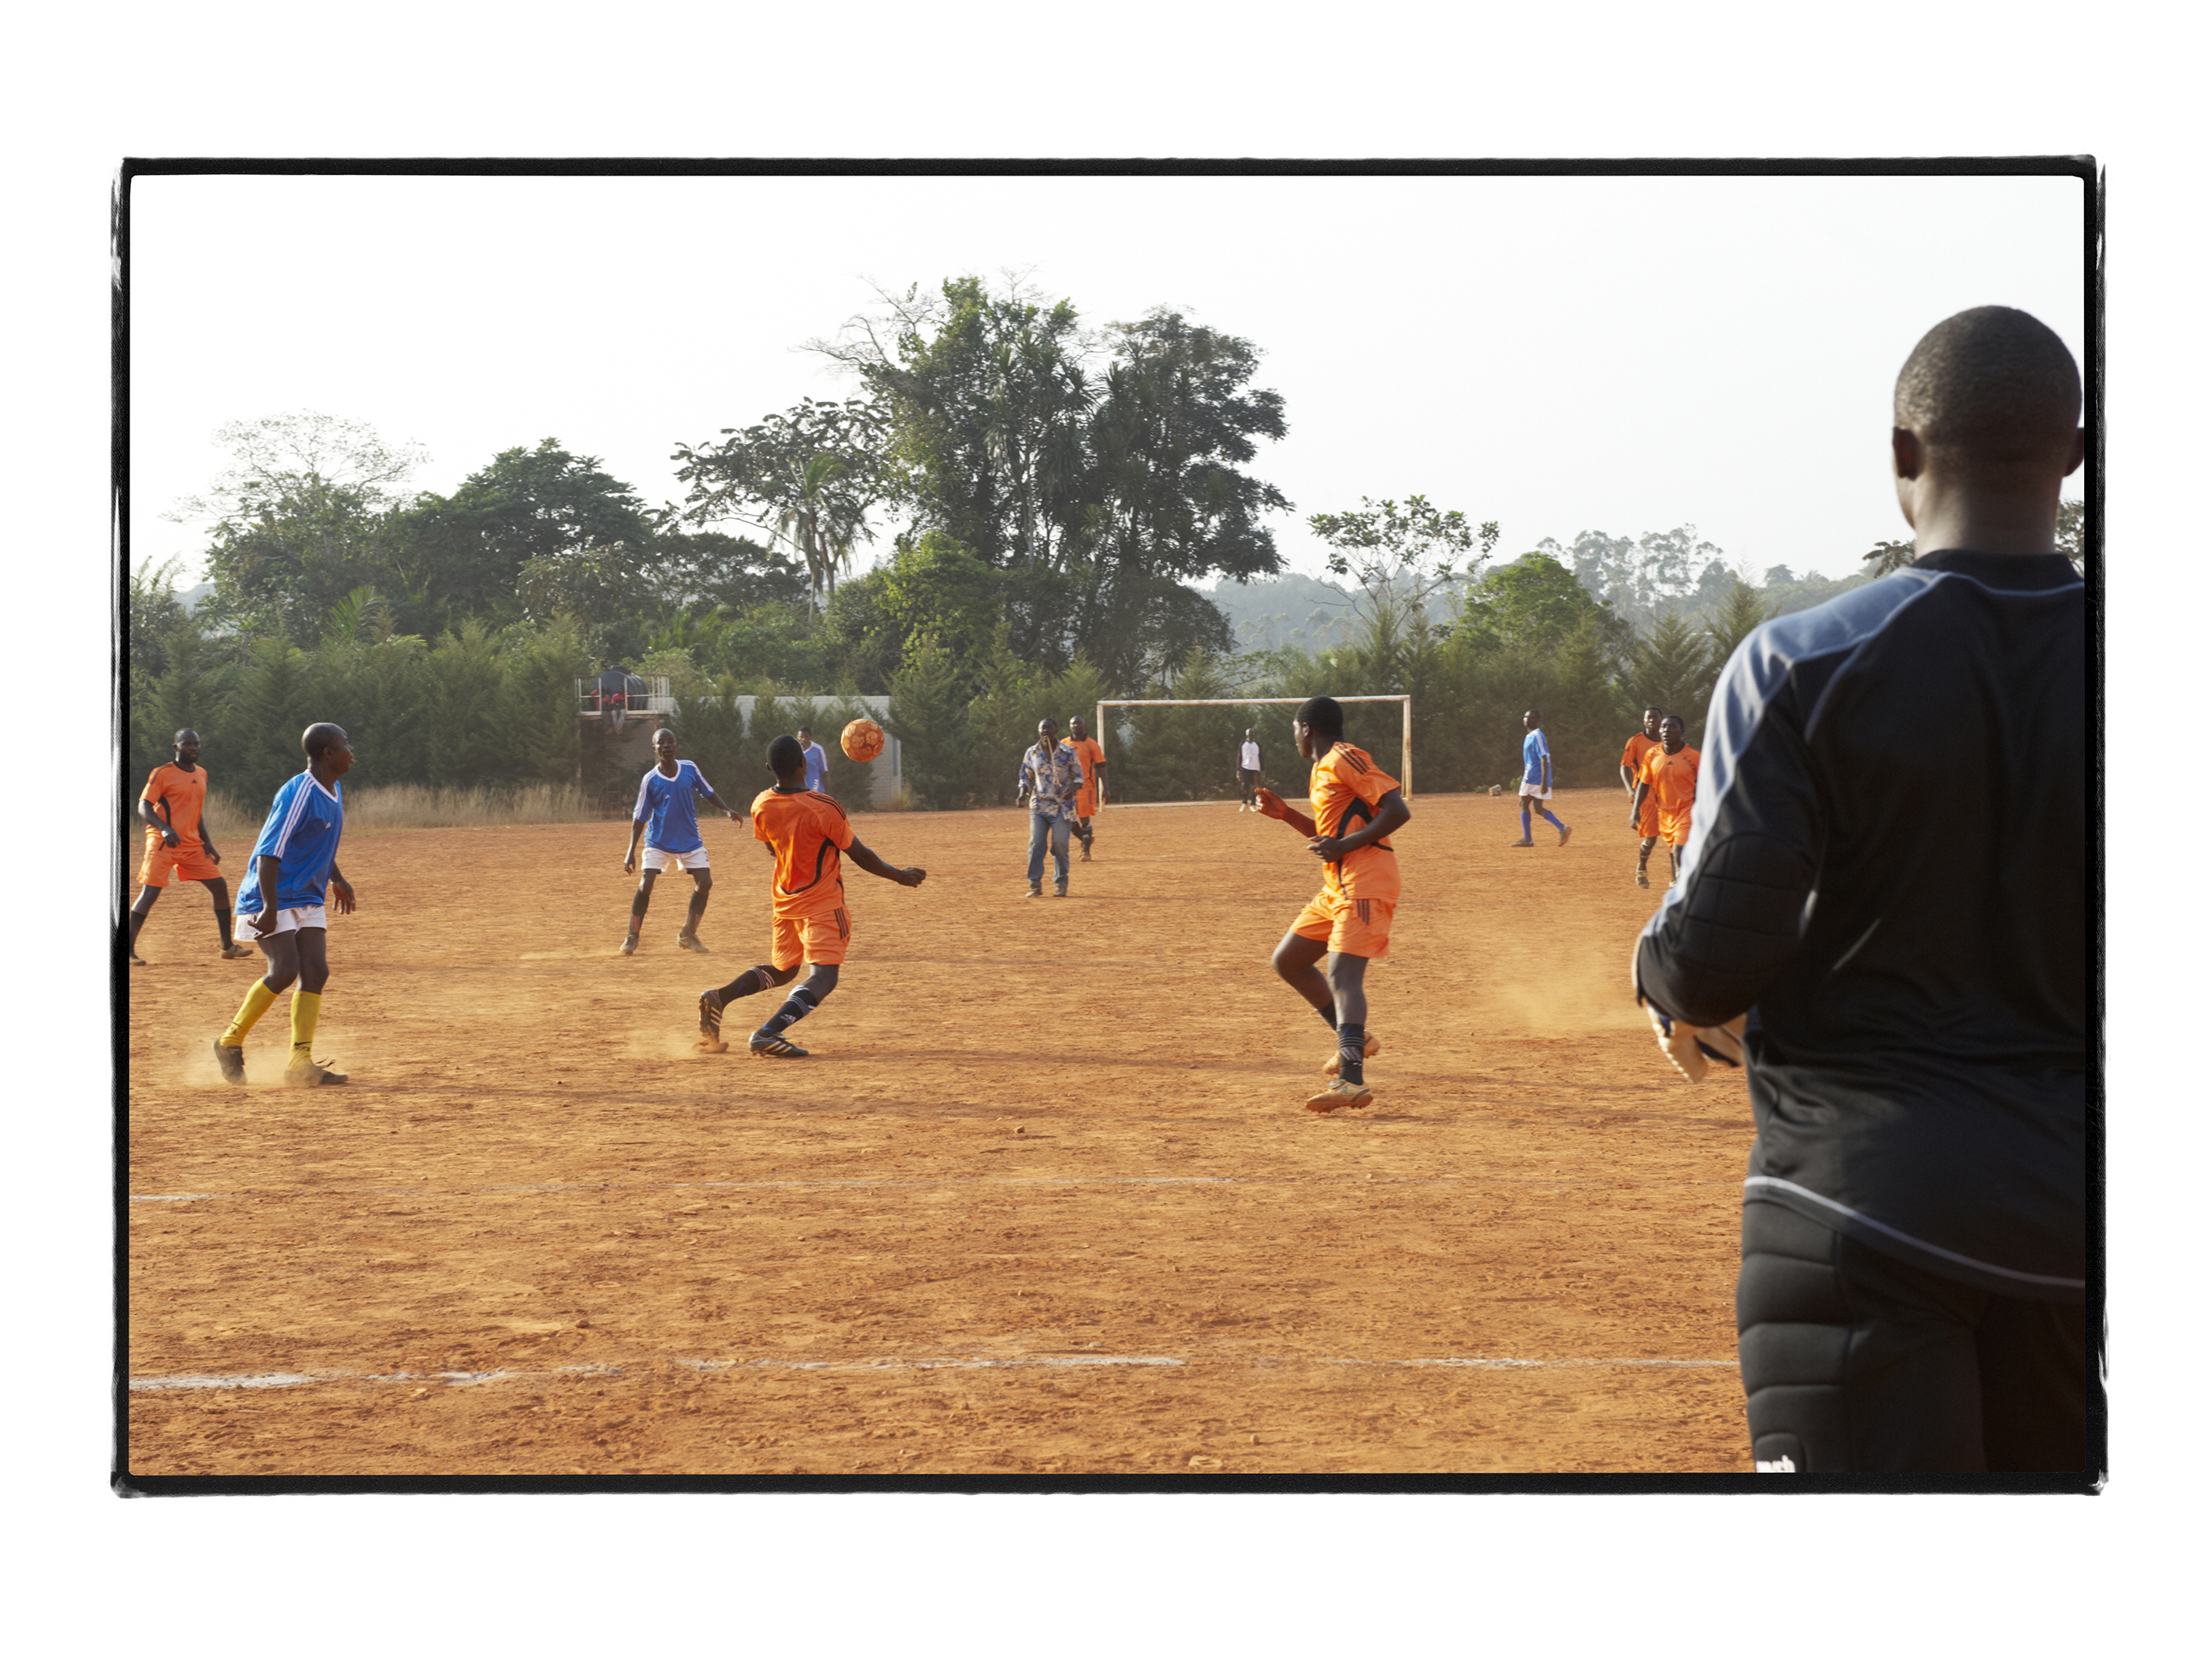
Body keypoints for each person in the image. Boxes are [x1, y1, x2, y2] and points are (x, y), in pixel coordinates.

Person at [1633, 304, 2087, 1474]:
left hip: (1855, 1209)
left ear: (1899, 452)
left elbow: (1716, 954)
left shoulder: (1801, 664)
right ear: (2072, 456)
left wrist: (1655, 971)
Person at [695, 734, 925, 1058]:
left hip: (785, 900)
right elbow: (860, 854)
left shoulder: (761, 803)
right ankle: (767, 1033)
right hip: (821, 903)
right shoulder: (825, 807)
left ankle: (718, 997)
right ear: (804, 765)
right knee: (824, 976)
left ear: (769, 768)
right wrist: (898, 875)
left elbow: (771, 847)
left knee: (785, 970)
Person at [1255, 696, 1411, 1114]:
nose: (1293, 738)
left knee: (1342, 972)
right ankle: (1358, 1042)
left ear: (1308, 729)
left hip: (1366, 881)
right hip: (1337, 886)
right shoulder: (1320, 767)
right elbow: (1330, 836)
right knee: (1288, 960)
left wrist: (1343, 845)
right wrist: (1288, 815)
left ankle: (1352, 1081)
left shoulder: (1347, 757)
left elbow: (1397, 810)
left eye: (1294, 729)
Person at [211, 723, 358, 1087]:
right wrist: (270, 907)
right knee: (284, 969)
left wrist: (336, 878)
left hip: (307, 894)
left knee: (317, 970)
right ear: (327, 753)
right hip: (271, 894)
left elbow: (317, 841)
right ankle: (229, 1041)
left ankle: (299, 1062)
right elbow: (269, 851)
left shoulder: (333, 789)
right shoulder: (300, 792)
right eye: (345, 745)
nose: (350, 750)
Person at [127, 727, 254, 964]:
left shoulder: (202, 773)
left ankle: (227, 947)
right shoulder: (162, 773)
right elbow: (144, 806)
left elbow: (197, 812)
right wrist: (165, 828)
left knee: (219, 886)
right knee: (150, 892)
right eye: (187, 744)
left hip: (192, 845)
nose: (193, 748)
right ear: (176, 747)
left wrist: (208, 843)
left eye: (196, 744)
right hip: (163, 842)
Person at [620, 727, 743, 955]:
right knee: (646, 884)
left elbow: (708, 792)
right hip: (658, 841)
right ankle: (632, 935)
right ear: (655, 749)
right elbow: (639, 817)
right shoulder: (650, 780)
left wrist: (726, 810)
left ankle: (688, 934)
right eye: (661, 743)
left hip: (689, 839)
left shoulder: (689, 768)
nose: (667, 746)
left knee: (705, 883)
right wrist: (631, 851)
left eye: (671, 742)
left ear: (676, 746)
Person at [1017, 716, 1084, 897]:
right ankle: (1034, 885)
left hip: (1062, 806)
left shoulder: (1067, 752)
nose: (1045, 731)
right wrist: (1022, 793)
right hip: (1039, 806)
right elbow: (1025, 776)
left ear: (1056, 730)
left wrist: (1072, 789)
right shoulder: (1032, 753)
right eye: (1042, 729)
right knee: (1036, 843)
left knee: (1059, 844)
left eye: (1049, 728)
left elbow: (1078, 777)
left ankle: (1061, 883)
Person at [1628, 714, 1699, 886]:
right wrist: (1635, 809)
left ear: (1682, 731)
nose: (1666, 730)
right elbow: (1644, 784)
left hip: (1687, 810)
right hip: (1665, 813)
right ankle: (1677, 883)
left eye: (1672, 727)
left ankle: (1681, 886)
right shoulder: (1652, 755)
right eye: (1664, 727)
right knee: (1672, 848)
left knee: (1678, 849)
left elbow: (1707, 785)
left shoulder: (1694, 757)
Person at [1511, 709, 1571, 847]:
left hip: (1534, 776)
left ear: (1537, 720)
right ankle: (1562, 828)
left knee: (1523, 803)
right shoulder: (1530, 736)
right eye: (1525, 716)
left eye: (1531, 717)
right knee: (1537, 807)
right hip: (1533, 775)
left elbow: (1544, 757)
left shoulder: (1537, 735)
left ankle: (1528, 839)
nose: (1527, 719)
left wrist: (1544, 781)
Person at [1619, 707, 1664, 886]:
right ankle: (1642, 869)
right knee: (1651, 837)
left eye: (1656, 717)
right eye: (1649, 717)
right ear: (1644, 721)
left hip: (1667, 793)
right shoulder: (1636, 741)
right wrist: (1629, 790)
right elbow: (1624, 765)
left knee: (1675, 836)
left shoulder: (1669, 740)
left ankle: (1675, 878)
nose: (1652, 720)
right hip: (1644, 794)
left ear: (1661, 720)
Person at [1061, 715, 1106, 861]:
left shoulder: (1091, 744)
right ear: (1070, 726)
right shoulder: (1063, 743)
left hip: (1086, 786)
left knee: (1084, 818)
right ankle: (1084, 838)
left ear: (1084, 726)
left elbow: (1101, 766)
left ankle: (1086, 852)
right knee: (1068, 819)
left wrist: (1106, 788)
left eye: (1079, 723)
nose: (1076, 726)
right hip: (1068, 788)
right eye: (1073, 724)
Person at [796, 724, 832, 794]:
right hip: (799, 792)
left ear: (810, 737)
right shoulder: (794, 750)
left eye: (806, 737)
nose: (803, 739)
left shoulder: (818, 750)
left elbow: (824, 773)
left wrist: (828, 795)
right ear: (797, 737)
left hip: (816, 791)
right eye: (801, 737)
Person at [1237, 728, 1264, 812]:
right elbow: (1239, 757)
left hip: (1255, 768)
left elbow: (1261, 758)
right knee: (1245, 786)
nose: (1250, 735)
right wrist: (1238, 770)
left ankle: (1253, 804)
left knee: (1255, 787)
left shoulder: (1257, 745)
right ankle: (1244, 803)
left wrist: (1263, 770)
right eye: (1249, 733)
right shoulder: (1242, 744)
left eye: (1252, 733)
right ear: (1246, 734)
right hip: (1245, 767)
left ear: (1254, 734)